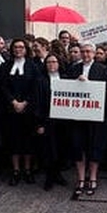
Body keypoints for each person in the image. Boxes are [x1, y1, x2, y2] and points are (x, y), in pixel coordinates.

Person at [65, 42, 107, 196]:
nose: (85, 54)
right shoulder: (73, 69)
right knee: (78, 147)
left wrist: (89, 85)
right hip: (77, 117)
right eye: (83, 51)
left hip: (95, 117)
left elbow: (106, 90)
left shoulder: (102, 69)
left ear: (94, 53)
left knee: (94, 146)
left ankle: (93, 177)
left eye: (89, 51)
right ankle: (81, 178)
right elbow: (66, 89)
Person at [0, 38, 40, 185]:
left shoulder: (33, 66)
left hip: (28, 110)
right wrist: (13, 102)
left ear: (26, 49)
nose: (18, 50)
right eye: (15, 47)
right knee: (13, 139)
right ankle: (16, 170)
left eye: (21, 47)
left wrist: (25, 102)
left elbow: (35, 87)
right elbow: (2, 86)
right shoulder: (5, 66)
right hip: (11, 109)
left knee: (28, 140)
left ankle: (27, 169)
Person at [33, 53, 69, 191]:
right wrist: (39, 124)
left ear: (59, 63)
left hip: (63, 121)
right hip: (47, 120)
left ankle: (58, 174)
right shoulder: (40, 80)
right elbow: (37, 103)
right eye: (48, 62)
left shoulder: (65, 78)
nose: (51, 64)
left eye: (54, 62)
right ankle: (50, 177)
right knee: (49, 150)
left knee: (61, 148)